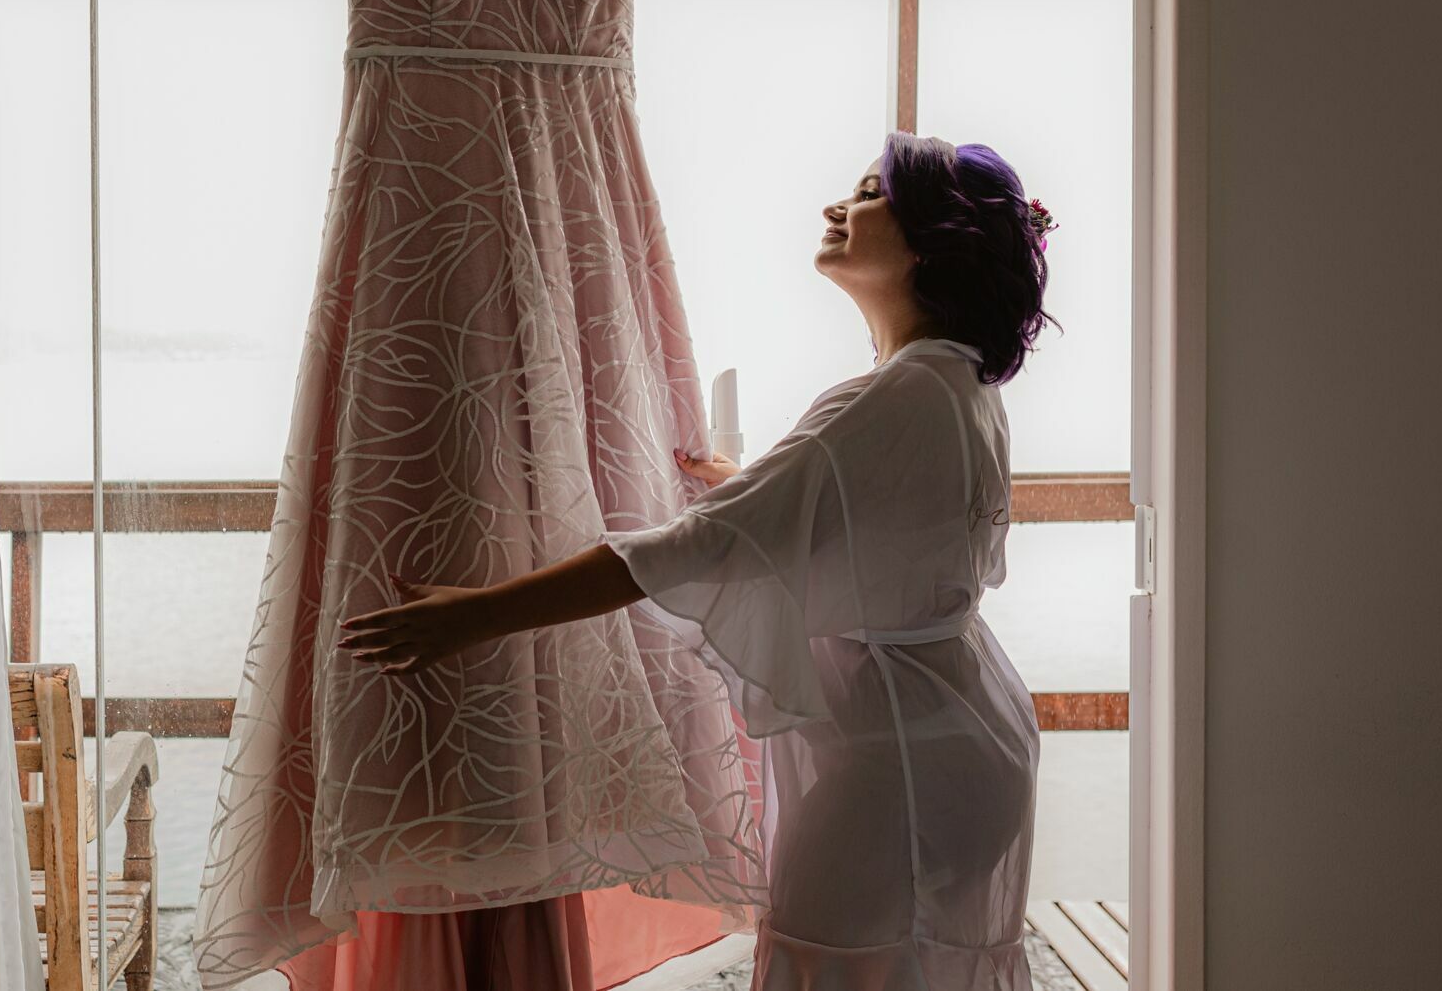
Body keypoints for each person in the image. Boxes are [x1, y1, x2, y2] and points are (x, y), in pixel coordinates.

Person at [341, 131, 1054, 990]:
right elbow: (896, 529)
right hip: (969, 735)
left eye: (869, 195)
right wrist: (759, 487)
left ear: (931, 242)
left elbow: (689, 548)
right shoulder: (959, 383)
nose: (839, 207)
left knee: (834, 968)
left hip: (896, 763)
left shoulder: (891, 395)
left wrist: (476, 614)